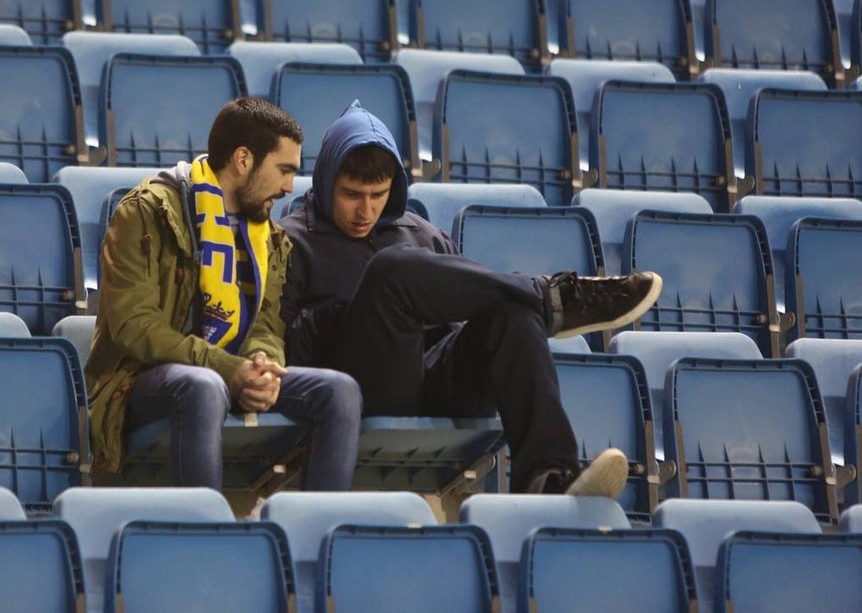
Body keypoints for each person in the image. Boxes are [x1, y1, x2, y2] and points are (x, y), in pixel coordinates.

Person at [279, 102, 663, 497]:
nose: (366, 210)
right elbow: (284, 352)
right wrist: (357, 311)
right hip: (361, 392)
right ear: (325, 183)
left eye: (379, 194)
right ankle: (553, 297)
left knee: (511, 313)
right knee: (391, 270)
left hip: (439, 385)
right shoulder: (290, 242)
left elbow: (466, 321)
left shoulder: (423, 234)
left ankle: (547, 477)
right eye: (352, 195)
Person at [86, 97, 362, 491]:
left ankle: (321, 532)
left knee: (339, 391)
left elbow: (268, 322)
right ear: (244, 159)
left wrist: (262, 365)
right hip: (137, 381)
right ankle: (207, 534)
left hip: (231, 371)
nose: (289, 187)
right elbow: (135, 328)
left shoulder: (269, 236)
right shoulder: (146, 211)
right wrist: (228, 370)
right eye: (284, 170)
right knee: (204, 385)